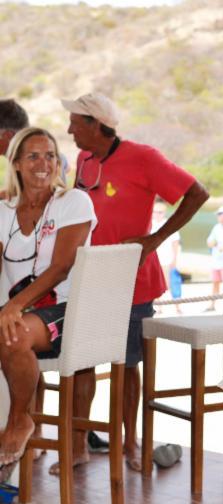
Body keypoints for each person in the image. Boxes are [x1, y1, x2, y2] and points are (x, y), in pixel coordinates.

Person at [58, 92, 208, 473]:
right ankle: (78, 446)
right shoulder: (84, 159)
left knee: (127, 365)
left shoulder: (144, 157)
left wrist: (155, 239)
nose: (69, 130)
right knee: (82, 363)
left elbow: (196, 193)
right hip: (89, 276)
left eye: (75, 123)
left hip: (133, 280)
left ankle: (130, 443)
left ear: (95, 124)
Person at [0, 127, 96, 464]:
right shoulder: (4, 207)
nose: (44, 163)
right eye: (33, 156)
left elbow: (62, 266)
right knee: (11, 328)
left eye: (50, 155)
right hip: (24, 309)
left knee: (13, 334)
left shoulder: (73, 201)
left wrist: (12, 307)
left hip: (69, 309)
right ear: (15, 164)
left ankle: (19, 419)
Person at [151, 199, 182, 314]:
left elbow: (175, 242)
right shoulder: (150, 224)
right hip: (153, 259)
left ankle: (177, 306)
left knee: (171, 283)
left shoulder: (169, 224)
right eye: (155, 212)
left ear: (164, 212)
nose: (157, 214)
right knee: (155, 283)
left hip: (166, 258)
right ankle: (159, 306)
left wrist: (175, 259)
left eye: (160, 212)